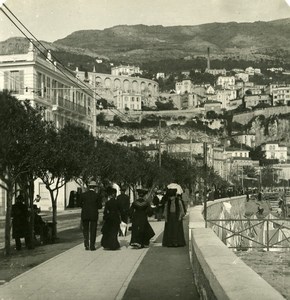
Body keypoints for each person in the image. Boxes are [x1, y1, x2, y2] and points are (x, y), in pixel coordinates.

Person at [79, 181, 103, 251]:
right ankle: (92, 246)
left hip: (85, 214)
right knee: (93, 230)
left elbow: (79, 204)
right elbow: (100, 206)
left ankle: (86, 244)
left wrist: (85, 206)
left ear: (89, 187)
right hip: (94, 215)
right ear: (95, 187)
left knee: (85, 230)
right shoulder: (97, 195)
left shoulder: (83, 195)